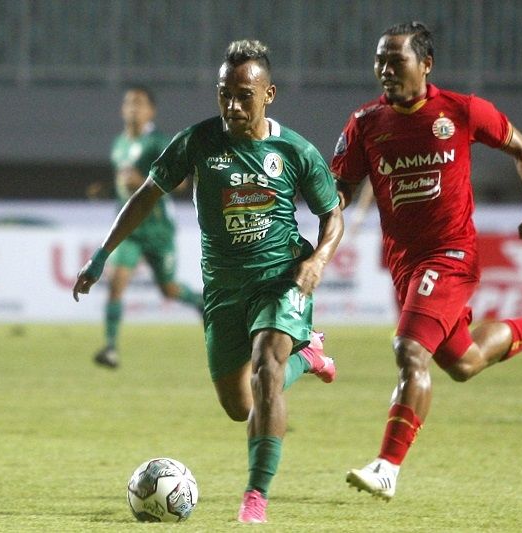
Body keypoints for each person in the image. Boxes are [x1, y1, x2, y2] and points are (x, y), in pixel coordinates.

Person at [73, 40, 344, 523]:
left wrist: (319, 259)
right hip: (223, 288)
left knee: (267, 368)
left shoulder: (295, 150)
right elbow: (144, 195)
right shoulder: (197, 142)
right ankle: (309, 355)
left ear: (269, 94)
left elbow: (332, 214)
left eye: (244, 95)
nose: (233, 106)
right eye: (224, 94)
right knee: (239, 406)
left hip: (280, 280)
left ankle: (255, 498)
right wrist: (102, 254)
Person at [331, 21, 522, 501]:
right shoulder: (365, 123)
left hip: (450, 256)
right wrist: (327, 218)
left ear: (425, 65)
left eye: (396, 60)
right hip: (404, 264)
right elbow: (340, 187)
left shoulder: (461, 111)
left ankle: (387, 467)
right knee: (463, 361)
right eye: (380, 60)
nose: (385, 69)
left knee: (409, 351)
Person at [90, 85, 204, 369]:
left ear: (151, 111)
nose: (133, 108)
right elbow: (123, 188)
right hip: (130, 231)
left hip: (158, 229)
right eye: (128, 102)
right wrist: (106, 190)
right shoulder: (119, 144)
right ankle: (110, 348)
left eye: (139, 103)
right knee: (116, 283)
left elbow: (181, 183)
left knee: (168, 289)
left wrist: (141, 179)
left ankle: (201, 303)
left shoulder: (158, 143)